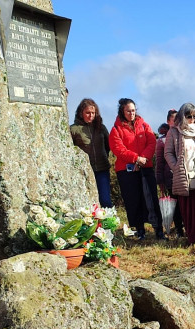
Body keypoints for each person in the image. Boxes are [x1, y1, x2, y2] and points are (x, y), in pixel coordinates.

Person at [109, 98, 164, 240]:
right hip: (127, 170)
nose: (131, 113)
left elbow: (152, 142)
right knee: (134, 200)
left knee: (151, 198)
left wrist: (143, 158)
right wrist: (135, 158)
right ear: (122, 111)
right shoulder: (116, 129)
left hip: (145, 167)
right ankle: (140, 230)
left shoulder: (144, 125)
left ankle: (158, 230)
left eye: (133, 110)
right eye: (128, 111)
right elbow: (118, 149)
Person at [164, 103, 195, 245]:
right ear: (182, 116)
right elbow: (168, 153)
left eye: (194, 116)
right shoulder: (174, 132)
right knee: (189, 207)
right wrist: (176, 167)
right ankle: (193, 238)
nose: (192, 119)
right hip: (184, 174)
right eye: (188, 116)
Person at [69, 97, 113, 208]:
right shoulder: (73, 129)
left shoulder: (101, 128)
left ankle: (108, 224)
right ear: (81, 113)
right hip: (83, 171)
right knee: (88, 204)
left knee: (105, 200)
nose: (91, 115)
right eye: (87, 113)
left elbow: (109, 146)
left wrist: (104, 156)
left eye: (93, 113)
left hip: (102, 169)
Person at [155, 110, 184, 237]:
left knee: (185, 204)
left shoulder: (184, 135)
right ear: (168, 121)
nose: (176, 122)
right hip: (170, 177)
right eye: (173, 119)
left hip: (184, 176)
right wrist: (160, 181)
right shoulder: (162, 141)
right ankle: (179, 230)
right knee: (175, 204)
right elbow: (159, 162)